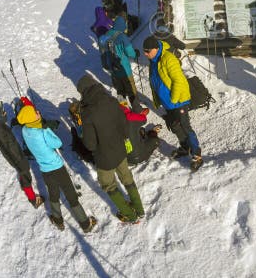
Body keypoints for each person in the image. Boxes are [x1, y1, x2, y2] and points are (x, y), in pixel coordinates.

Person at [16, 105, 96, 233]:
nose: (37, 111)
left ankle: (58, 221)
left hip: (44, 169)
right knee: (70, 194)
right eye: (35, 112)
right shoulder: (42, 132)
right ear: (32, 118)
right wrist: (46, 129)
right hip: (57, 168)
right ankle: (85, 224)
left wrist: (38, 123)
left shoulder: (25, 130)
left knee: (53, 193)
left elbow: (33, 128)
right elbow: (58, 143)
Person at [76, 74, 145, 223]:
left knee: (109, 185)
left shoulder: (87, 113)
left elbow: (90, 144)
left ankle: (130, 215)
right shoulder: (113, 101)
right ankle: (139, 209)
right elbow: (125, 127)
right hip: (120, 151)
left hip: (104, 158)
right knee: (127, 178)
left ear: (83, 92)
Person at [142, 36, 203, 171]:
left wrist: (173, 100)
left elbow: (179, 81)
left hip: (178, 101)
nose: (145, 54)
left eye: (147, 51)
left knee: (185, 127)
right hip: (168, 103)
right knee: (174, 126)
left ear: (156, 49)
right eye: (144, 51)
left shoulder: (168, 59)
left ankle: (197, 155)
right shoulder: (153, 60)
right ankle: (185, 147)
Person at [0, 101, 43, 209]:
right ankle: (33, 199)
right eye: (2, 112)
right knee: (25, 175)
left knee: (24, 174)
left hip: (15, 156)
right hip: (17, 157)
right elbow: (10, 146)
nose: (5, 113)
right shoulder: (0, 129)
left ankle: (28, 190)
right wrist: (21, 160)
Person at [99, 16, 144, 112]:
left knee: (120, 91)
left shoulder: (107, 35)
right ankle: (138, 110)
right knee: (131, 90)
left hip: (113, 69)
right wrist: (136, 53)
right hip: (124, 69)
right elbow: (130, 52)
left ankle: (124, 110)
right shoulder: (122, 36)